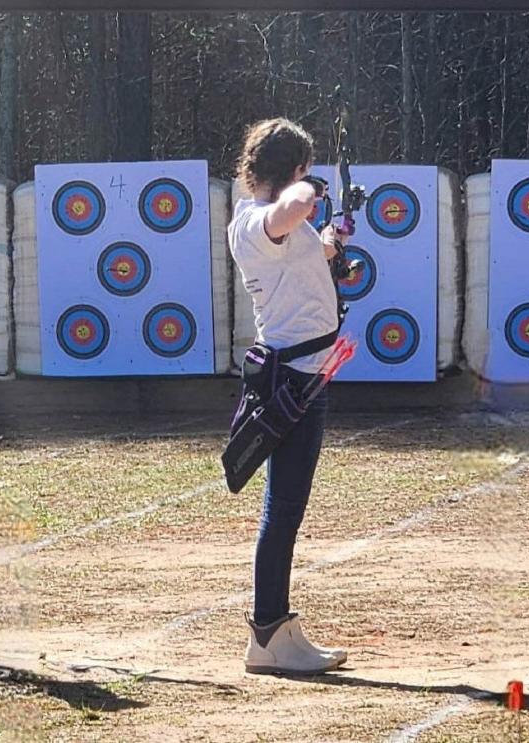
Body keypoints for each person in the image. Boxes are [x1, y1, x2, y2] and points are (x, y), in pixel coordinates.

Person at [228, 117, 349, 674]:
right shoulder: (257, 220)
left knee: (287, 511)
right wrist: (312, 189)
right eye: (304, 171)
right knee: (282, 512)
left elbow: (299, 252)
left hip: (304, 372)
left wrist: (329, 243)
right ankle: (268, 633)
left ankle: (274, 627)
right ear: (292, 170)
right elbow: (288, 212)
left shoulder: (275, 227)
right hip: (292, 379)